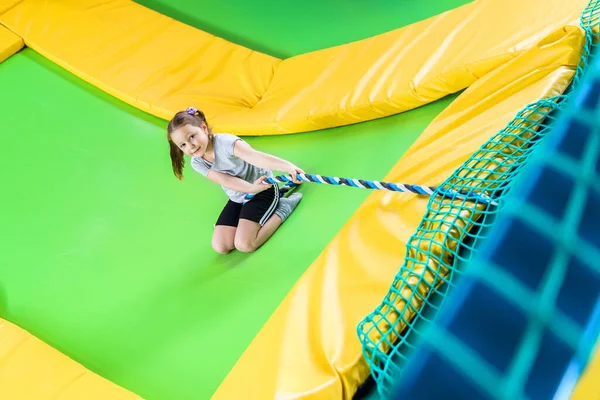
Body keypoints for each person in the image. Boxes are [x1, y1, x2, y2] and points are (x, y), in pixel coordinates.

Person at [167, 107, 303, 254]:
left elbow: (257, 158)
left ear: (204, 128)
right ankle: (254, 217)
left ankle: (282, 208)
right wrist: (250, 189)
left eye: (192, 137)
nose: (190, 146)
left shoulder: (227, 143)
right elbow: (226, 180)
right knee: (221, 246)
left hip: (263, 190)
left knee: (245, 244)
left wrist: (288, 167)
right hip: (240, 196)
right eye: (183, 145)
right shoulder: (197, 162)